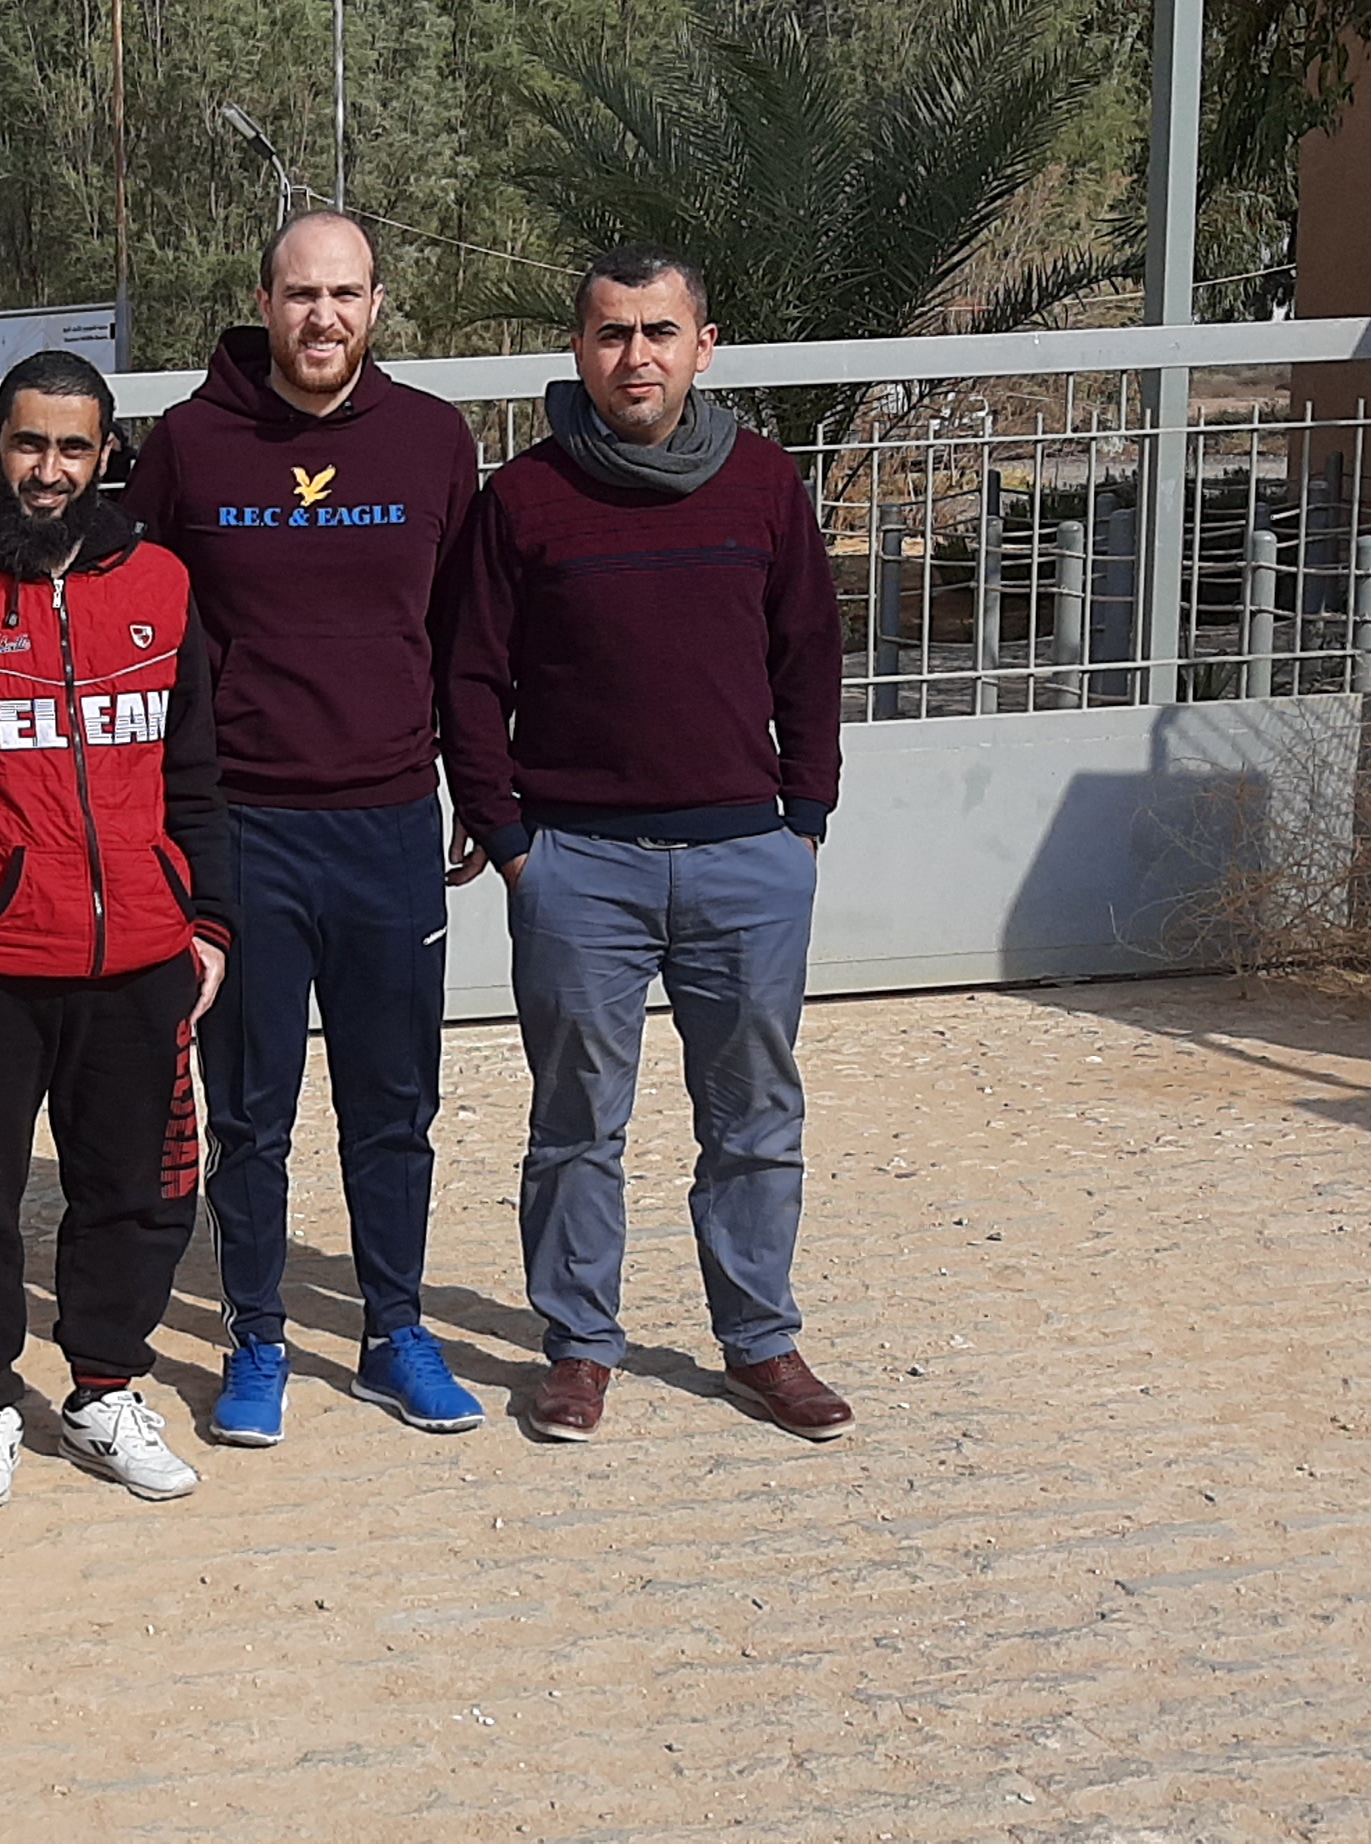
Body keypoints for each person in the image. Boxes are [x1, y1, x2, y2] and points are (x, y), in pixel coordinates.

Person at [458, 243, 856, 1443]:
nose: (636, 355)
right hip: (579, 865)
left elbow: (810, 655)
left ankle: (759, 1338)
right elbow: (469, 676)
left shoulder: (763, 482)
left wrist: (803, 819)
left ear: (703, 347)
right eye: (611, 332)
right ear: (579, 349)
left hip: (745, 859)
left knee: (755, 1118)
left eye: (659, 331)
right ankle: (579, 1345)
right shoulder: (523, 498)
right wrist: (510, 839)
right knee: (577, 1123)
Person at [123, 210, 493, 1446]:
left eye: (343, 294)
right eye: (298, 294)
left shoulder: (432, 441)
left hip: (387, 823)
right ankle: (258, 1336)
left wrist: (473, 788)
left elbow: (462, 636)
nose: (321, 317)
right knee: (249, 1111)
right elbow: (141, 627)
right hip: (244, 830)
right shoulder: (189, 446)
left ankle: (395, 1331)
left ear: (376, 305)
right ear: (263, 302)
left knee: (392, 1104)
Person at [0, 350, 235, 1511]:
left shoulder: (161, 581)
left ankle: (103, 1391)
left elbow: (194, 772)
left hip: (138, 956)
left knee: (133, 1192)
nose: (50, 469)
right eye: (29, 443)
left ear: (106, 451)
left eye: (73, 446)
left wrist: (209, 918)